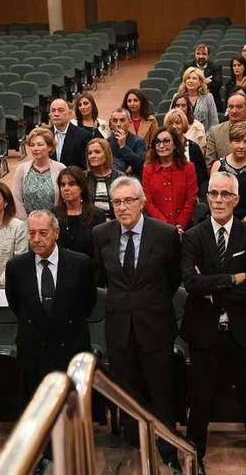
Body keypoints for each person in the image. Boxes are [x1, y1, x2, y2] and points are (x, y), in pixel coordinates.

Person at [92, 176, 182, 469]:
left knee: (162, 392)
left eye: (128, 201)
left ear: (142, 202)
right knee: (127, 394)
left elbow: (173, 280)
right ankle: (131, 451)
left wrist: (147, 303)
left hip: (155, 325)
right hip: (119, 328)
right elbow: (103, 278)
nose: (122, 207)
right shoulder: (101, 234)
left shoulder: (165, 234)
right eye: (117, 202)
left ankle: (168, 450)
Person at [181, 171, 246, 475]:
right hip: (204, 332)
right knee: (200, 401)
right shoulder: (192, 236)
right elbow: (191, 283)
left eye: (225, 194)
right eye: (213, 194)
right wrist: (231, 279)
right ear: (207, 198)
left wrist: (212, 289)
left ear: (236, 199)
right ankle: (196, 459)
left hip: (243, 331)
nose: (218, 200)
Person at [5, 208, 96, 384]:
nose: (36, 239)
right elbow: (16, 304)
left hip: (71, 349)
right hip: (33, 352)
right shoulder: (16, 267)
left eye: (43, 233)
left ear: (56, 233)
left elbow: (87, 303)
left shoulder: (79, 263)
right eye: (32, 233)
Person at [142, 127, 198, 233]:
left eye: (166, 141)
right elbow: (148, 202)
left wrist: (180, 225)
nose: (161, 146)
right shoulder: (148, 170)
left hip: (185, 228)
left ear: (175, 144)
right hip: (157, 228)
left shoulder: (188, 168)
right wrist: (166, 227)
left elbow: (191, 199)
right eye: (158, 142)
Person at [205, 92, 246, 170]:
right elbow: (210, 164)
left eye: (239, 107)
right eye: (231, 107)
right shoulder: (215, 132)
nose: (234, 111)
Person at [12, 126, 66, 220]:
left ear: (49, 147)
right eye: (32, 145)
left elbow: (64, 199)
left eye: (40, 145)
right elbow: (17, 199)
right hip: (28, 224)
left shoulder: (60, 168)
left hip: (54, 222)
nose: (35, 149)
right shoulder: (22, 169)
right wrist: (26, 222)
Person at [54, 166, 106, 259]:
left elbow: (100, 251)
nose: (66, 188)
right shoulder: (53, 215)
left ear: (81, 187)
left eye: (71, 184)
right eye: (62, 185)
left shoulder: (97, 215)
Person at [162, 108, 208, 191]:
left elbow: (202, 174)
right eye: (171, 124)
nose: (174, 126)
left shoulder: (193, 147)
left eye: (178, 123)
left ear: (183, 124)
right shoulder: (161, 147)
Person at [85, 137, 125, 220]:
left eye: (97, 152)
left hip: (115, 225)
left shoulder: (120, 177)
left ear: (106, 154)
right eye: (89, 153)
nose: (92, 156)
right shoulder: (83, 177)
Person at [47, 98, 91, 168]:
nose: (56, 114)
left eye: (60, 110)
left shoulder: (82, 135)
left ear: (69, 114)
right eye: (53, 111)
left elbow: (85, 166)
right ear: (50, 115)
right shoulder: (45, 135)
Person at [173, 67, 219, 132]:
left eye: (194, 78)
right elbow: (171, 118)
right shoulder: (177, 96)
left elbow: (214, 121)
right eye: (188, 78)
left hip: (204, 137)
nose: (190, 81)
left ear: (200, 82)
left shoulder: (208, 97)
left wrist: (207, 138)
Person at [184, 43, 224, 111]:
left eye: (204, 54)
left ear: (208, 55)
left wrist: (195, 83)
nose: (201, 56)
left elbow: (217, 85)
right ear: (195, 54)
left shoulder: (216, 67)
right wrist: (204, 81)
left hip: (212, 102)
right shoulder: (188, 67)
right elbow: (184, 83)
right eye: (198, 53)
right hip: (190, 102)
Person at [107, 107, 146, 177]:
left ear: (129, 122)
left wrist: (123, 146)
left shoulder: (139, 141)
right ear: (111, 123)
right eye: (115, 121)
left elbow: (140, 165)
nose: (118, 124)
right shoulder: (106, 142)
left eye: (122, 120)